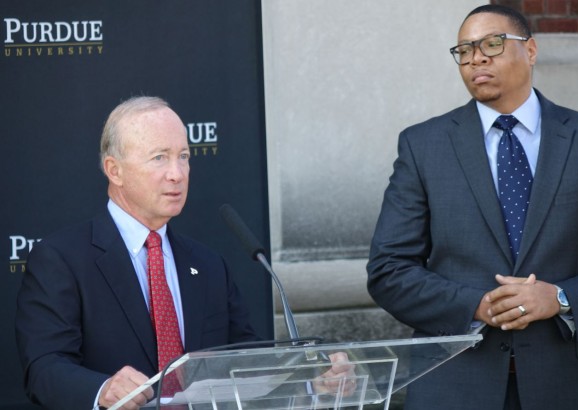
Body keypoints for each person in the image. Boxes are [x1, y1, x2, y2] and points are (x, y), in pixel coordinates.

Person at [15, 96, 353, 410]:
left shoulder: (207, 265)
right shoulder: (62, 259)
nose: (177, 173)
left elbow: (248, 367)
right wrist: (102, 389)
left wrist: (314, 383)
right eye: (159, 157)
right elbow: (44, 369)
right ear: (114, 170)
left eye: (184, 156)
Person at [367, 4, 578, 410]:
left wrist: (561, 298)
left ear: (531, 50)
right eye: (464, 50)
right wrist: (476, 306)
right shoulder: (423, 146)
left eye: (492, 43)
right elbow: (388, 270)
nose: (476, 58)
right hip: (454, 384)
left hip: (570, 386)